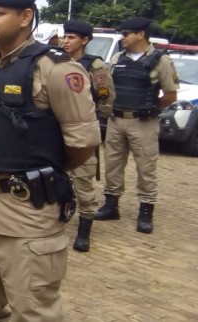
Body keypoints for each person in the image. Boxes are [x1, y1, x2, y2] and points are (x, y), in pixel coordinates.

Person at [0, 0, 100, 321]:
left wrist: (40, 172)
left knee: (33, 309)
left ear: (25, 17)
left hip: (27, 209)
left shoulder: (55, 68)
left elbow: (83, 143)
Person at [95, 17, 178, 234]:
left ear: (140, 34)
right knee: (112, 164)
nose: (122, 38)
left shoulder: (161, 61)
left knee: (146, 167)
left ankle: (146, 210)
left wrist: (152, 108)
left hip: (143, 122)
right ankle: (111, 205)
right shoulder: (116, 58)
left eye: (126, 34)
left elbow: (170, 95)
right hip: (116, 119)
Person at [61, 19, 115, 252]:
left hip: (82, 129)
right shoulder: (57, 62)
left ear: (84, 40)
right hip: (56, 130)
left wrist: (96, 128)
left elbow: (105, 98)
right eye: (65, 37)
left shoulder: (95, 66)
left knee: (83, 180)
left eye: (71, 37)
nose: (66, 41)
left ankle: (85, 228)